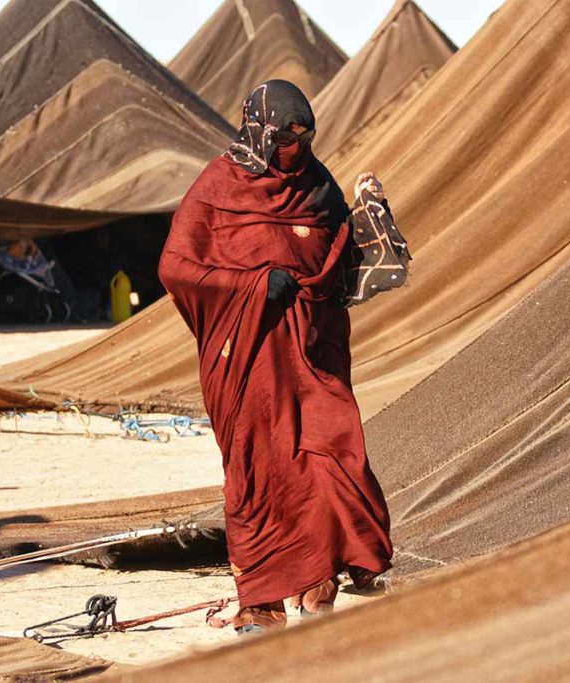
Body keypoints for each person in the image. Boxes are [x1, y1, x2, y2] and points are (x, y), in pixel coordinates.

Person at [158, 80, 393, 635]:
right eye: (286, 134)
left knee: (331, 455)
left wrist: (373, 226)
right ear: (259, 130)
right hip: (248, 358)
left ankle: (319, 585)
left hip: (315, 351)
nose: (297, 145)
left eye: (305, 134)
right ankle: (261, 602)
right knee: (261, 471)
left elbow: (341, 262)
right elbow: (175, 268)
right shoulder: (218, 184)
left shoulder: (318, 182)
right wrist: (254, 286)